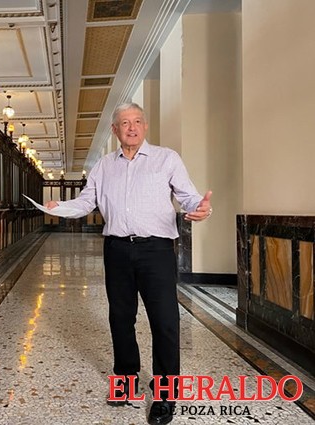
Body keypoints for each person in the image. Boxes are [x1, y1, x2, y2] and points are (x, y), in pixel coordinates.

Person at [45, 102, 212, 425]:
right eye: (124, 122)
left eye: (137, 121)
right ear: (115, 130)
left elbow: (189, 196)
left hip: (156, 250)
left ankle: (165, 394)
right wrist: (59, 207)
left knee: (165, 321)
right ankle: (126, 379)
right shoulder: (104, 165)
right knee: (120, 318)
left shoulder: (166, 159)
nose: (131, 127)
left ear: (145, 126)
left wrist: (201, 208)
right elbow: (87, 201)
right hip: (117, 249)